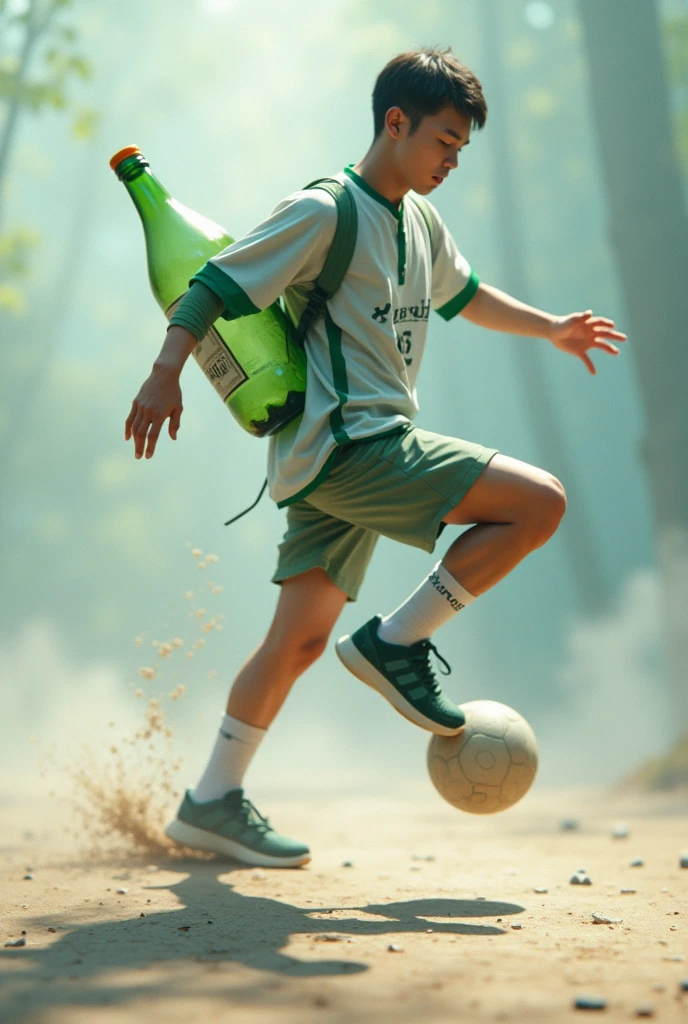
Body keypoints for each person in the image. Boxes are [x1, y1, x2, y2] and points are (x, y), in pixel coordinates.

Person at [125, 47, 626, 869]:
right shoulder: (326, 210)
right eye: (443, 142)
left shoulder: (421, 220)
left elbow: (463, 295)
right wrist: (162, 374)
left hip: (333, 463)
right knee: (540, 503)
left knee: (297, 643)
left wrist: (552, 328)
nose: (451, 162)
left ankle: (209, 800)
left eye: (461, 151)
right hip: (356, 445)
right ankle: (398, 643)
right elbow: (213, 285)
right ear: (396, 122)